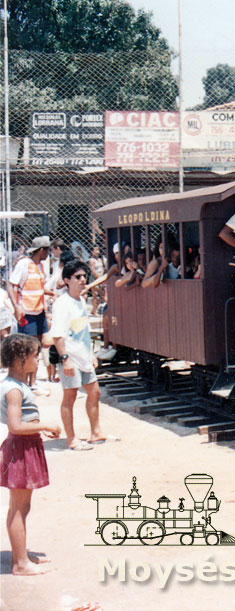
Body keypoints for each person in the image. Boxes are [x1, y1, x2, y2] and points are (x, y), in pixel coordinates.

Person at [1, 333, 61, 575]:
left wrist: (37, 428)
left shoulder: (18, 385)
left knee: (23, 507)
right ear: (20, 360)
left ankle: (21, 554)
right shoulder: (13, 389)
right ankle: (20, 563)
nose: (38, 361)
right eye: (35, 356)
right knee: (18, 507)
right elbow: (15, 426)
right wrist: (44, 425)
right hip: (20, 448)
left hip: (26, 445)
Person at [52, 260, 111, 450]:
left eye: (85, 276)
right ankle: (71, 439)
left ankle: (96, 432)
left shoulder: (80, 301)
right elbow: (58, 335)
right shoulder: (62, 303)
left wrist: (91, 354)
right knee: (70, 397)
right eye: (78, 277)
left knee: (95, 392)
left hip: (84, 357)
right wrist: (65, 359)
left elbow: (82, 332)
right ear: (67, 280)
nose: (83, 280)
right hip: (69, 358)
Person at [7, 237, 51, 390]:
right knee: (28, 348)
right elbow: (11, 284)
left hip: (39, 311)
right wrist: (16, 308)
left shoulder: (40, 266)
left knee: (37, 348)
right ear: (41, 250)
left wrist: (52, 294)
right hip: (27, 312)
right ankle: (24, 381)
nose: (48, 253)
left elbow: (39, 288)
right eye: (47, 250)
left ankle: (32, 382)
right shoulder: (24, 264)